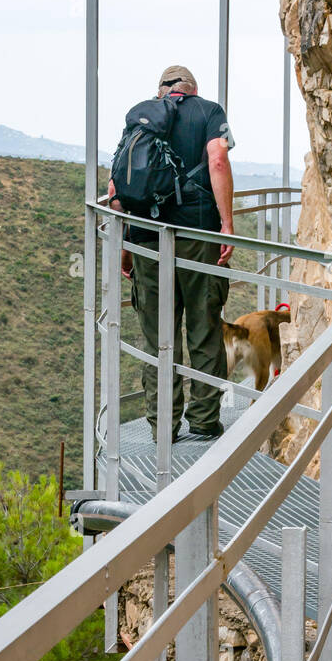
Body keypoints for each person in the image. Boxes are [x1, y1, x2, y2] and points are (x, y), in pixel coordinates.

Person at [110, 64, 236, 442]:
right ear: (192, 89)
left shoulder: (140, 119)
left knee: (158, 339)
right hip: (198, 238)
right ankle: (203, 419)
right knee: (204, 329)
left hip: (147, 239)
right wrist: (226, 224)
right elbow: (217, 159)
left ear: (162, 91)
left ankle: (163, 426)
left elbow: (118, 184)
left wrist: (124, 245)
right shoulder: (210, 112)